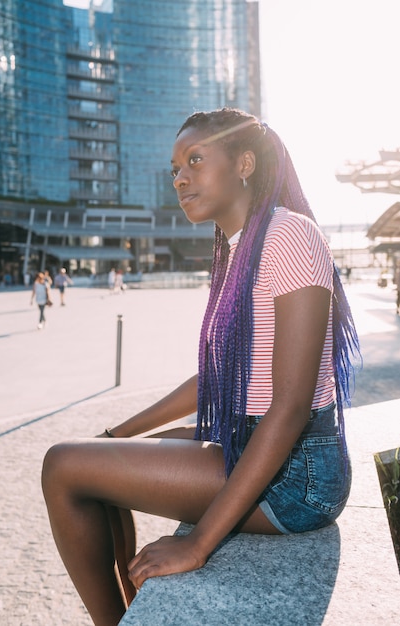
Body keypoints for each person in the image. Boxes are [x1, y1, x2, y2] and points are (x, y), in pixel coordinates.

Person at [42, 108, 361, 626]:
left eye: (194, 160)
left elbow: (291, 406)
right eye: (174, 169)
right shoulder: (239, 249)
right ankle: (127, 616)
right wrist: (117, 434)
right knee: (100, 461)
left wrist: (198, 546)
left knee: (63, 468)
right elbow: (213, 379)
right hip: (255, 443)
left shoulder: (289, 235)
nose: (180, 178)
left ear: (245, 163)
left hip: (299, 476)